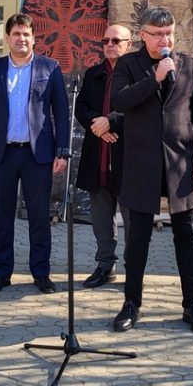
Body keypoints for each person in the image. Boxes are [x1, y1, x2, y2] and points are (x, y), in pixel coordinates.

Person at [110, 7, 193, 335]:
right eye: (157, 34)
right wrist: (153, 79)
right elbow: (119, 101)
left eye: (168, 33)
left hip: (181, 164)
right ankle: (131, 303)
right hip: (141, 164)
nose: (164, 40)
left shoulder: (189, 65)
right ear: (143, 35)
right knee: (137, 238)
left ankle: (192, 304)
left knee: (187, 236)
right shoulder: (128, 65)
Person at [0, 13, 70, 295]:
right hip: (2, 155)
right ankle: (1, 274)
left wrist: (62, 150)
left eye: (26, 34)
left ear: (34, 38)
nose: (21, 39)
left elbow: (61, 112)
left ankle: (41, 273)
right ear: (7, 38)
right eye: (16, 34)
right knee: (2, 219)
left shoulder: (49, 68)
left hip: (37, 156)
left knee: (39, 218)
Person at [75, 24, 132, 289]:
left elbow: (144, 110)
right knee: (100, 218)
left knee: (133, 220)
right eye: (106, 41)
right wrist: (98, 126)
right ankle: (105, 265)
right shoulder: (93, 74)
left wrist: (112, 123)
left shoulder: (139, 75)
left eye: (116, 41)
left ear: (129, 44)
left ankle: (134, 270)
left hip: (128, 157)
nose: (109, 45)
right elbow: (81, 107)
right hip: (97, 155)